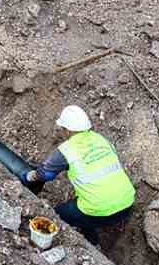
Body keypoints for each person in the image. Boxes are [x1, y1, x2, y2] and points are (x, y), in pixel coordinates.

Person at [23, 105, 136, 248]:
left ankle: (92, 244)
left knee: (57, 214)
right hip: (127, 204)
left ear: (67, 130)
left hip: (98, 211)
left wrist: (29, 177)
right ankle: (97, 235)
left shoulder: (67, 150)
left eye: (63, 129)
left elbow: (46, 174)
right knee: (84, 208)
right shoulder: (101, 140)